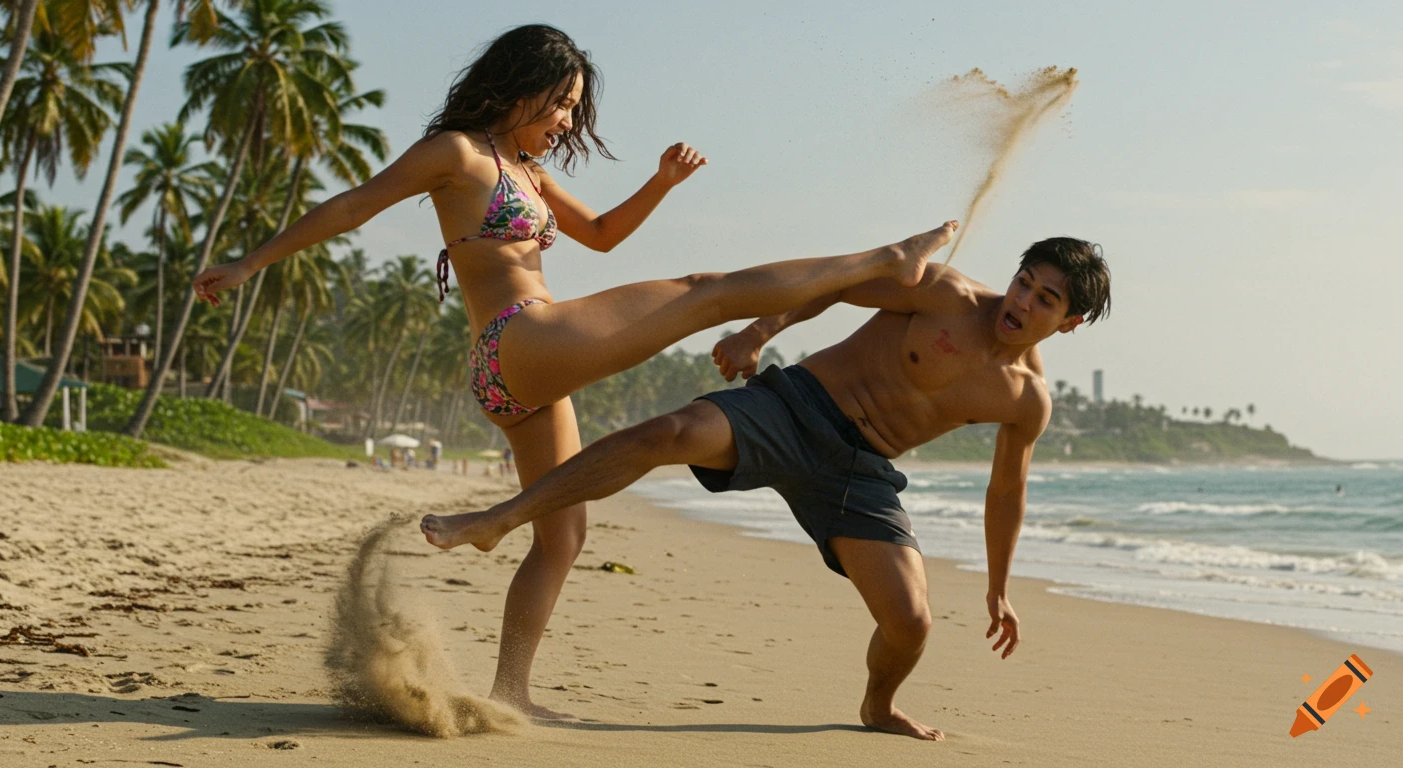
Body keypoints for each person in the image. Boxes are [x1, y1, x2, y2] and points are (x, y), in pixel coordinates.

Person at [189, 24, 952, 718]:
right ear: (517, 85)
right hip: (518, 340)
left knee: (564, 532)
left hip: (517, 373)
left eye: (573, 110)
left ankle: (509, 690)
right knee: (703, 292)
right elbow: (353, 207)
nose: (564, 122)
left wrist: (660, 182)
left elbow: (605, 236)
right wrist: (250, 262)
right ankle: (888, 259)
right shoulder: (457, 154)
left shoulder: (527, 171)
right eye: (559, 104)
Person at [420, 238, 1112, 739]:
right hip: (795, 408)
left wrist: (998, 586)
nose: (1023, 300)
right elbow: (832, 283)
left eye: (1046, 298)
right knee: (663, 434)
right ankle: (502, 517)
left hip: (860, 475)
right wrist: (759, 328)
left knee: (911, 622)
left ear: (1070, 321)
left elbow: (1005, 492)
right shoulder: (946, 293)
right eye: (1026, 280)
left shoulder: (1026, 399)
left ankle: (877, 706)